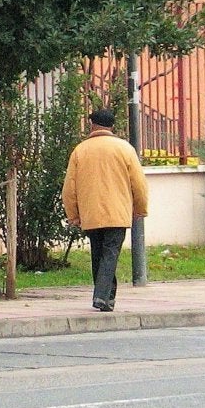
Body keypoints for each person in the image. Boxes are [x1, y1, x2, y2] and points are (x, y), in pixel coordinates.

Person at [62, 107, 149, 312]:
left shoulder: (80, 150)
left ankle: (106, 298)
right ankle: (102, 296)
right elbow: (139, 183)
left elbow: (69, 187)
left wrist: (73, 214)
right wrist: (140, 208)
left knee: (98, 254)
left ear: (92, 125)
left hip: (90, 213)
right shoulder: (125, 149)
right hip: (118, 212)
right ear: (112, 126)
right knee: (110, 254)